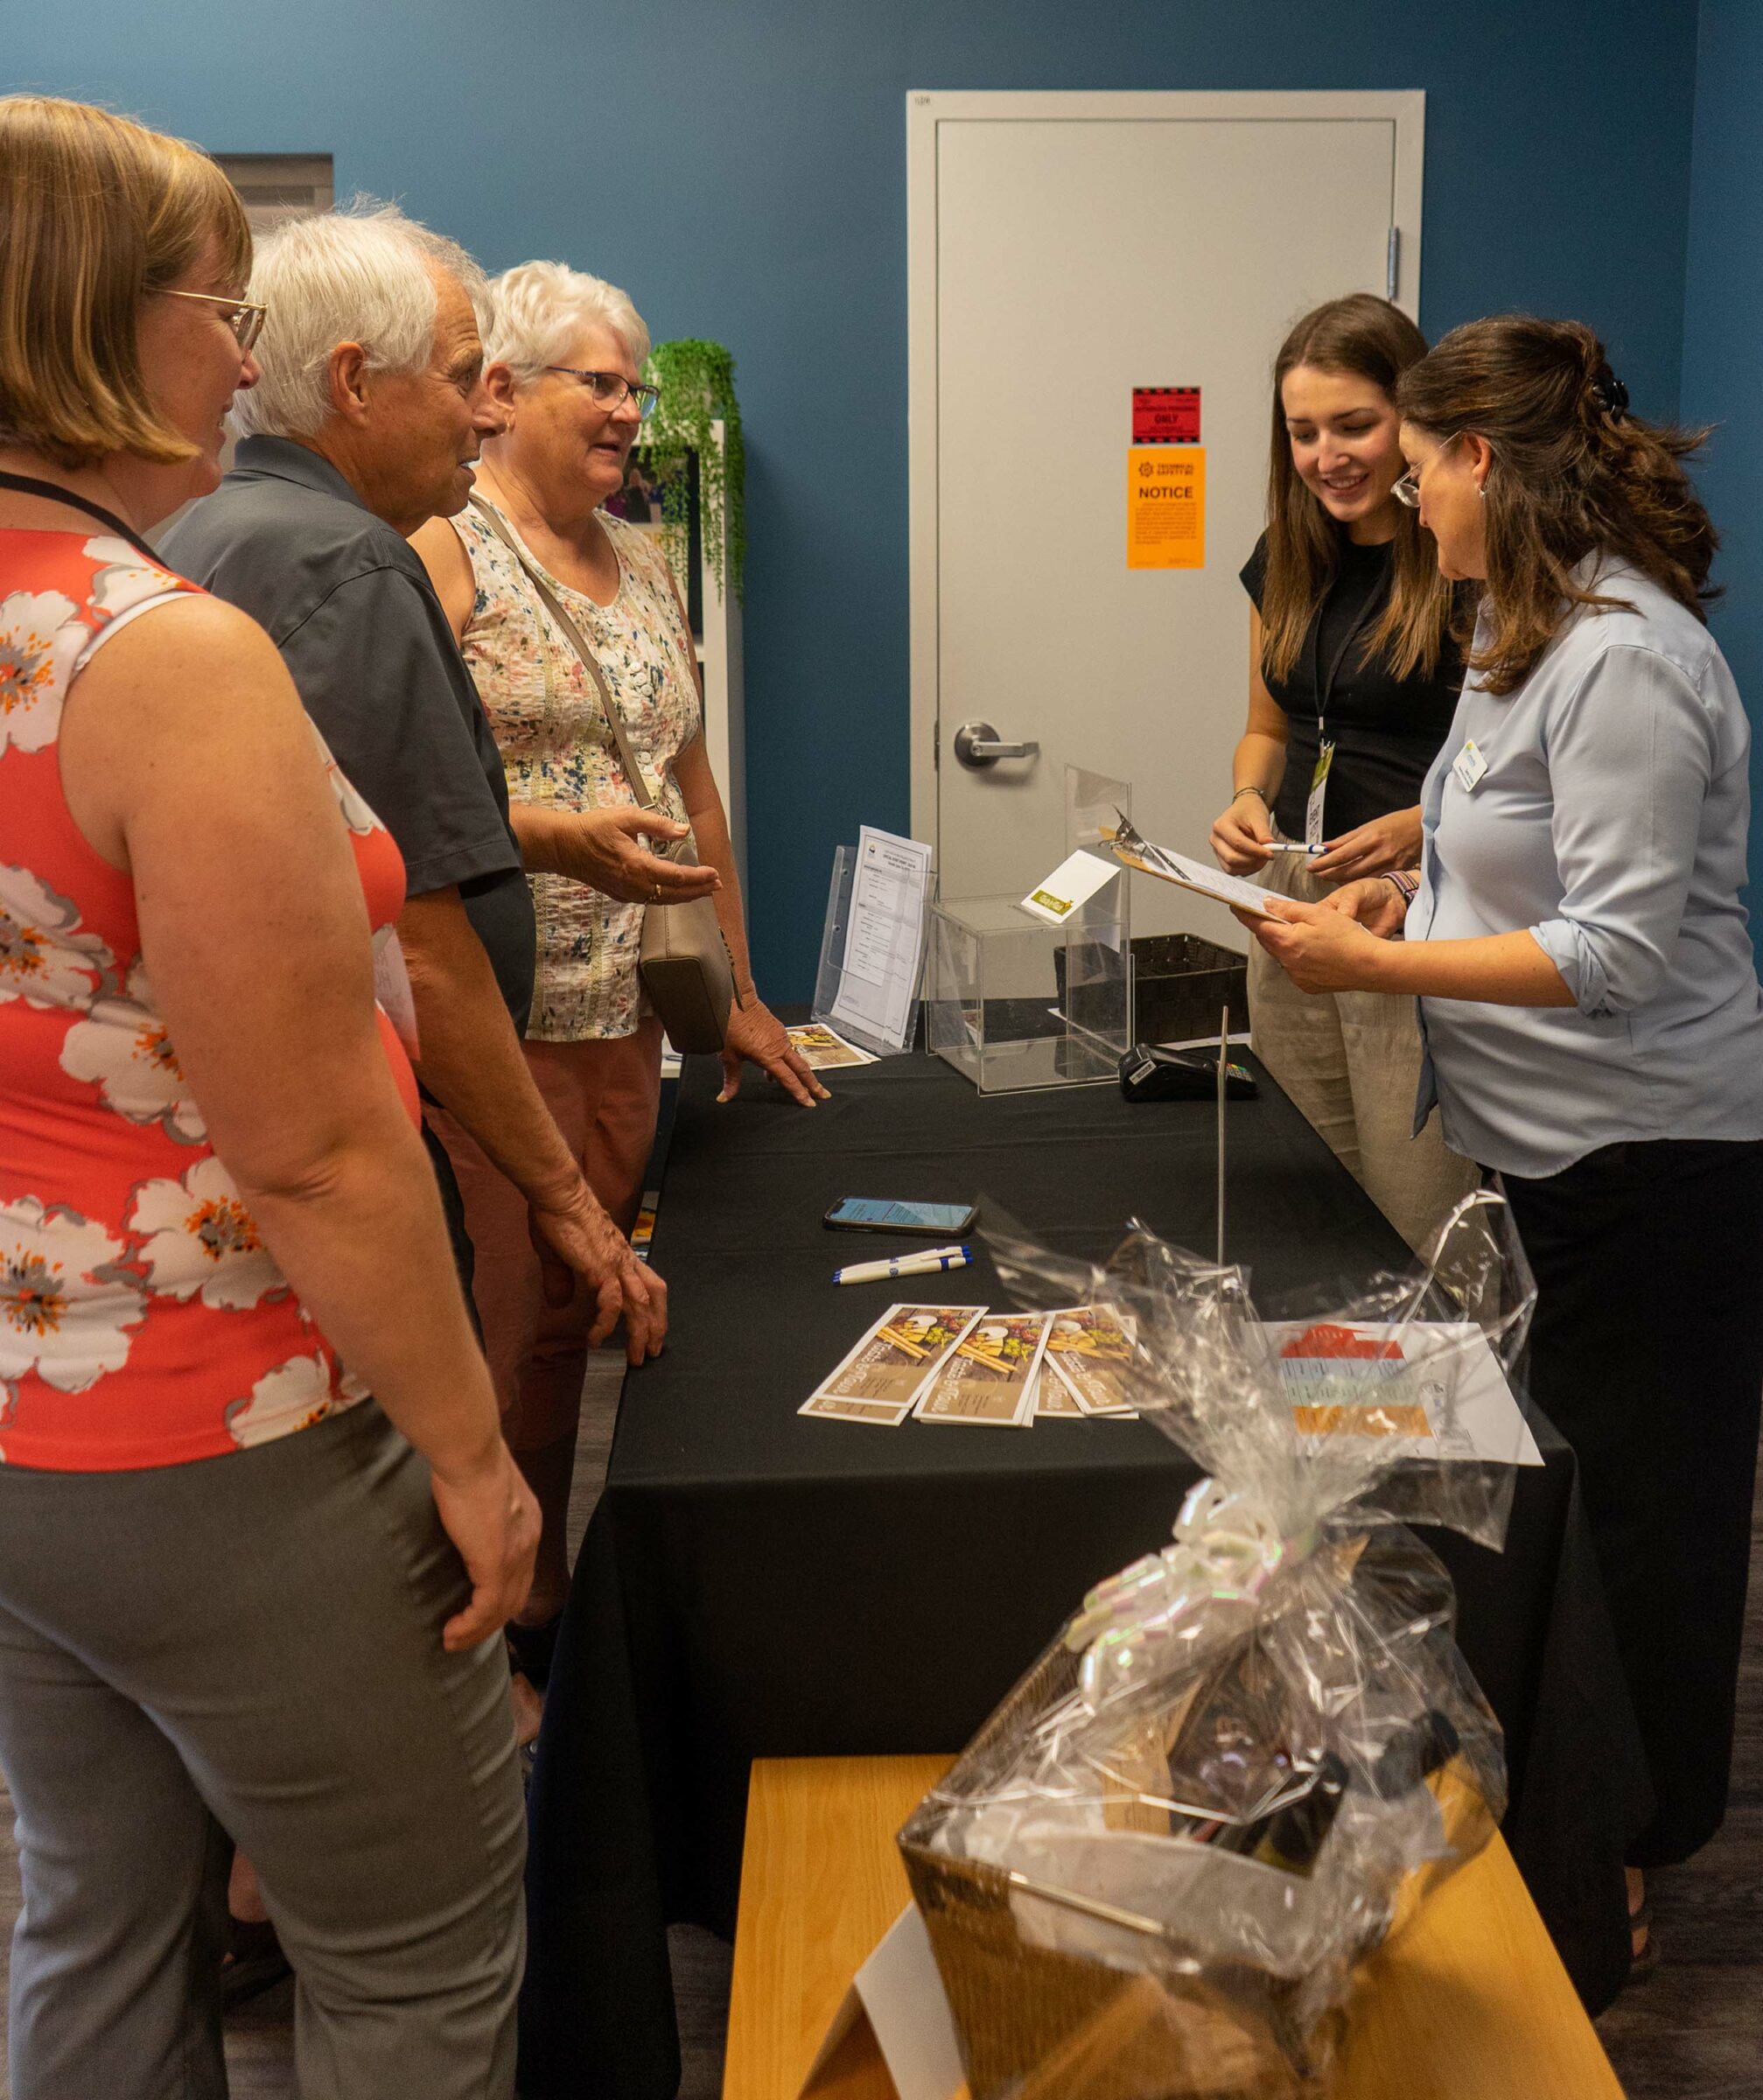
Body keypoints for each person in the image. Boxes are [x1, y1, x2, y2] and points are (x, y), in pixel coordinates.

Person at [0, 97, 537, 2096]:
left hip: (27, 1439)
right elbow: (311, 1139)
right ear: (85, 323)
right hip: (231, 1430)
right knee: (407, 1962)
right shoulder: (165, 654)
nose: (243, 361)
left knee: (91, 1921)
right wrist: (475, 1455)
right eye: (212, 309)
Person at [1245, 313, 1763, 1968]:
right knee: (1571, 1508)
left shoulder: (1624, 656)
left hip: (1652, 1166)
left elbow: (1615, 958)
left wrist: (1377, 959)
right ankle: (1568, 1805)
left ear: (1480, 460)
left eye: (1412, 470)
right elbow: (1520, 858)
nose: (1397, 501)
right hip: (1547, 1157)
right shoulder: (1517, 631)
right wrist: (1419, 879)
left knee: (1648, 1531)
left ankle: (1632, 1848)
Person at [411, 261, 824, 1660]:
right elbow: (388, 803)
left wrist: (743, 998)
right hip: (491, 994)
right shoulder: (440, 552)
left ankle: (550, 1603)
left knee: (577, 1316)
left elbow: (693, 790)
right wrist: (558, 839)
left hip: (630, 1006)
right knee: (495, 1319)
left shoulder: (644, 558)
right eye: (598, 383)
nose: (628, 414)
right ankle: (476, 1621)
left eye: (634, 389)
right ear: (503, 391)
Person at [1210, 295, 1478, 1252]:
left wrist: (1416, 829)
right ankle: (1329, 1398)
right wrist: (1246, 796)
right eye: (1303, 432)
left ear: (1412, 421)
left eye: (1355, 425)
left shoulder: (1463, 562)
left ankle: (1452, 1398)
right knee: (1307, 1200)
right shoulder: (1283, 556)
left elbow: (1512, 775)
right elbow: (1263, 727)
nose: (1329, 455)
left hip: (1413, 907)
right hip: (1294, 896)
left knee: (1418, 1217)